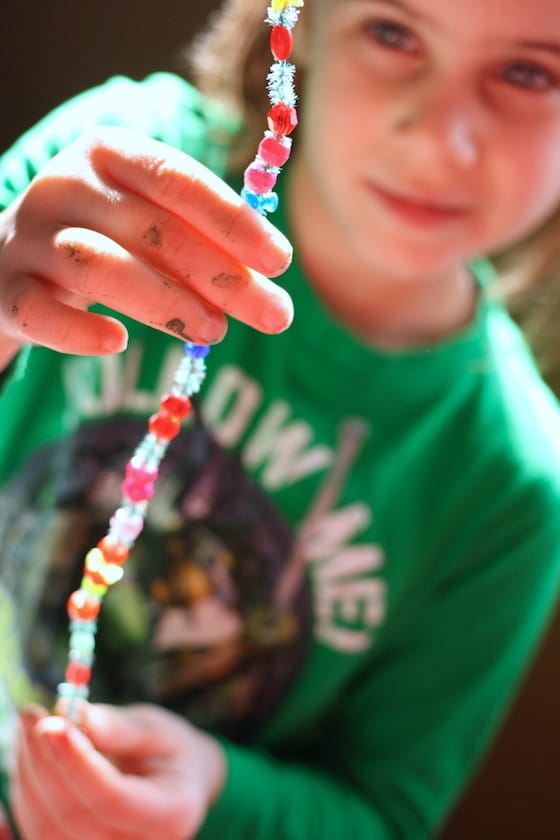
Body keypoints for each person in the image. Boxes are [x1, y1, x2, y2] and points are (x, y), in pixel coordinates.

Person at [1, 0, 560, 837]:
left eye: (529, 72)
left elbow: (383, 810)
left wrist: (217, 797)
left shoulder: (511, 484)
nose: (444, 135)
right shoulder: (102, 176)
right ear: (295, 28)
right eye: (394, 33)